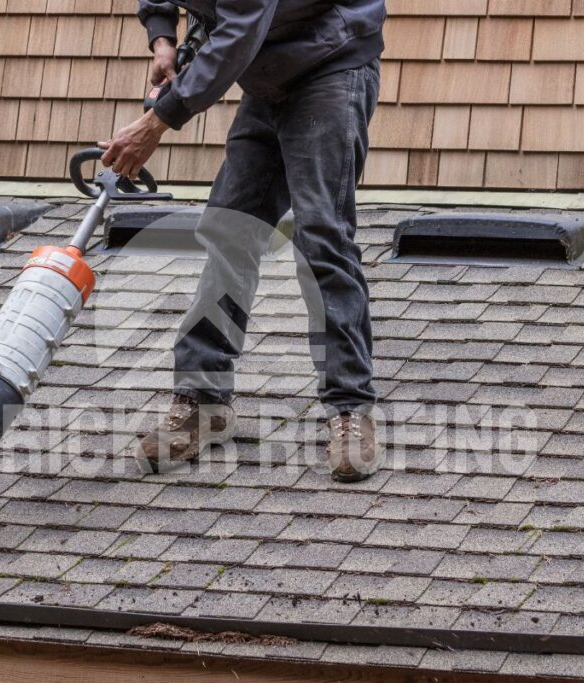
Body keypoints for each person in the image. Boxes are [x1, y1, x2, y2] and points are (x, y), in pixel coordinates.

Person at [99, 0, 387, 482]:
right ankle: (204, 400)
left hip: (330, 63)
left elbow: (240, 27)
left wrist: (157, 121)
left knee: (321, 237)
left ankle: (350, 407)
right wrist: (163, 35)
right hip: (265, 74)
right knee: (229, 229)